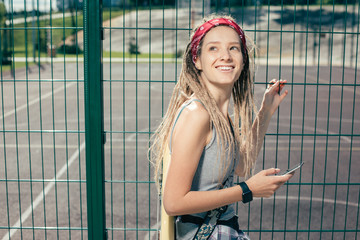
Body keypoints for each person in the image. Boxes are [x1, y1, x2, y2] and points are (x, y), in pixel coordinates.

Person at [150, 15, 294, 240]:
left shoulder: (218, 115)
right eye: (213, 49)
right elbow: (174, 202)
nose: (225, 56)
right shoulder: (197, 115)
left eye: (233, 48)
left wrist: (265, 111)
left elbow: (241, 166)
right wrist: (246, 190)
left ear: (243, 59)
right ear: (196, 60)